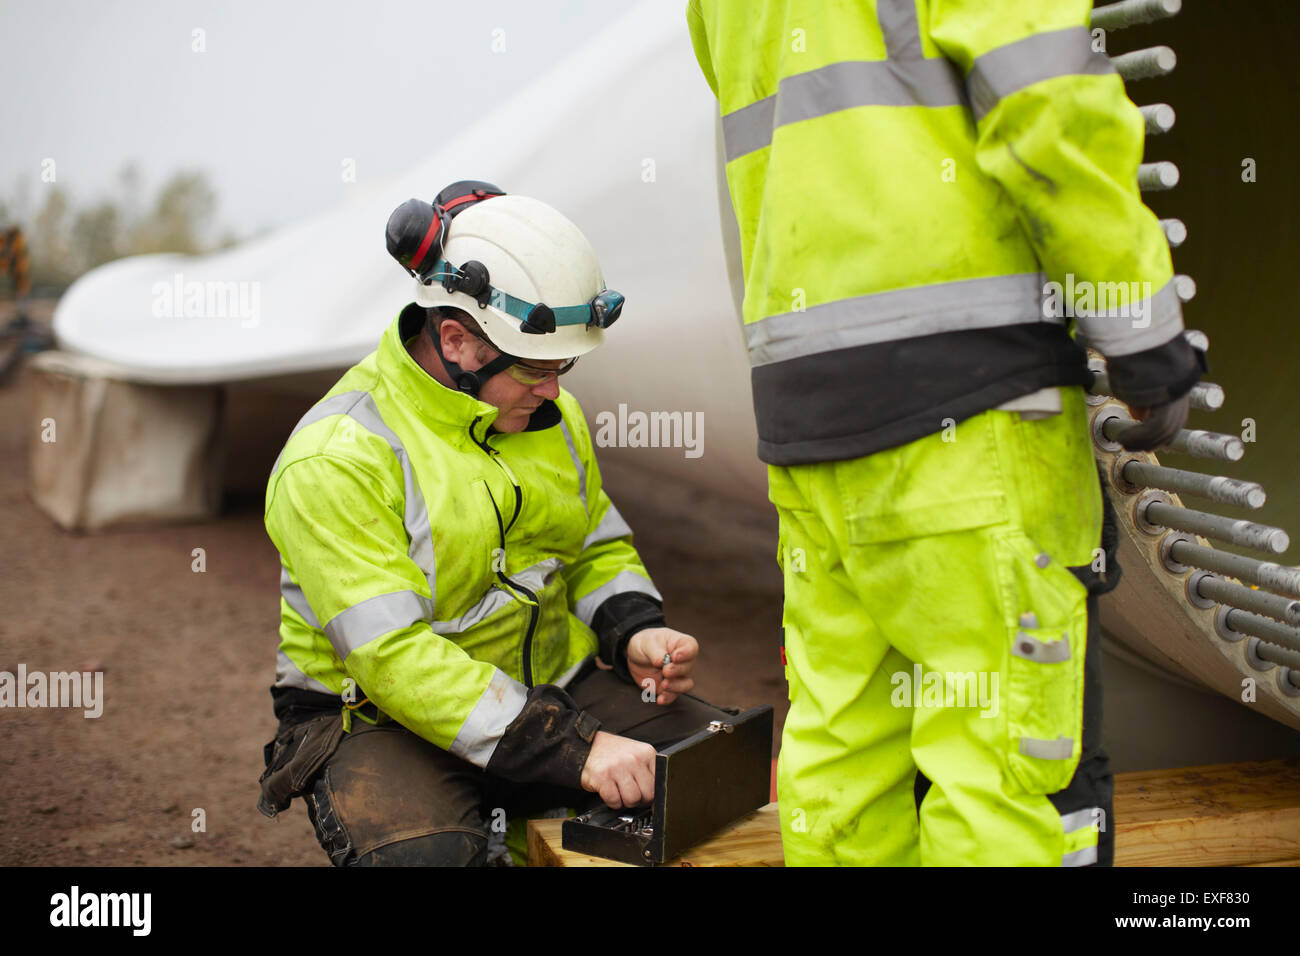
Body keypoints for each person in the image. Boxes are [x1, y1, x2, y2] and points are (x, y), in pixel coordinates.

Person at [686, 0, 1203, 865]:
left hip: (805, 409)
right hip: (969, 402)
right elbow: (1048, 98)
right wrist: (1142, 333)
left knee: (844, 759)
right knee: (1004, 766)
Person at [256, 184, 731, 866]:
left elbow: (593, 544)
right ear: (456, 341)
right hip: (378, 716)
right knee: (430, 858)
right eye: (537, 369)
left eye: (563, 367)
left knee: (716, 770)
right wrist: (575, 749)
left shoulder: (549, 419)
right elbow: (392, 658)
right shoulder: (337, 459)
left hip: (547, 687)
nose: (555, 392)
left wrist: (634, 629)